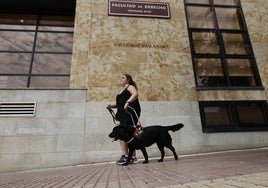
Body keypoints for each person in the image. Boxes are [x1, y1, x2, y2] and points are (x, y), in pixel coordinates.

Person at [107, 73, 141, 165]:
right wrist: (111, 106)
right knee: (128, 134)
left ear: (128, 80)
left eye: (123, 78)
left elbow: (135, 94)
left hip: (128, 113)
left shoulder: (130, 87)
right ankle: (132, 157)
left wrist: (128, 102)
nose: (121, 79)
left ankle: (126, 156)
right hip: (123, 114)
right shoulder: (122, 91)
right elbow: (120, 104)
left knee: (123, 133)